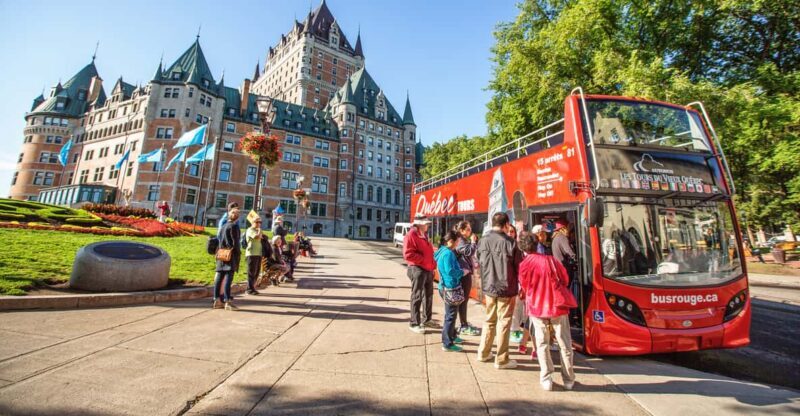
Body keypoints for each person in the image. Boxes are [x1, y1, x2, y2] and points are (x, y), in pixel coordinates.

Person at [517, 231, 576, 391]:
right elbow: (565, 279)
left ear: (522, 248)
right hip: (557, 305)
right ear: (536, 244)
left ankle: (547, 377)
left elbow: (524, 286)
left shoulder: (524, 265)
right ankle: (568, 379)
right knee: (564, 342)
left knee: (542, 342)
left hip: (536, 306)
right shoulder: (551, 260)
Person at [476, 212, 523, 370]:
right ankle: (501, 359)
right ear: (507, 224)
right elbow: (519, 267)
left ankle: (483, 353)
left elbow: (478, 261)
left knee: (489, 320)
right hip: (506, 288)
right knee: (504, 323)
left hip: (489, 287)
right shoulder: (511, 243)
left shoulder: (482, 241)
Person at [404, 214, 436, 334]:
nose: (428, 225)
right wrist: (423, 260)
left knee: (428, 295)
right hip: (417, 269)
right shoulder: (411, 235)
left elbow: (429, 252)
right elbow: (408, 254)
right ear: (419, 224)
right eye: (426, 223)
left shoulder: (424, 235)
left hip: (426, 269)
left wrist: (432, 266)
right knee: (417, 296)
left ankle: (427, 319)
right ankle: (414, 323)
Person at [436, 230, 466, 352]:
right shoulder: (448, 254)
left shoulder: (443, 251)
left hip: (445, 286)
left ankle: (452, 335)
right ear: (451, 241)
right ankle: (447, 343)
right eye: (458, 240)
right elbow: (450, 271)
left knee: (450, 314)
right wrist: (462, 272)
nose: (459, 242)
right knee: (450, 316)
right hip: (450, 287)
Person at [454, 221, 480, 336]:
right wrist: (473, 242)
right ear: (461, 231)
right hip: (463, 275)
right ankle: (463, 325)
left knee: (464, 300)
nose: (470, 231)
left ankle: (464, 322)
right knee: (463, 300)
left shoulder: (463, 241)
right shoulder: (460, 241)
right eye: (468, 229)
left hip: (465, 273)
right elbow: (469, 251)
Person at [213, 206, 242, 311]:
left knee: (219, 278)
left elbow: (219, 240)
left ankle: (217, 300)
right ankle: (227, 301)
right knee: (228, 279)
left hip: (221, 254)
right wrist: (238, 254)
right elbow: (236, 243)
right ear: (237, 217)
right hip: (230, 255)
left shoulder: (223, 226)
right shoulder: (234, 227)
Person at [245, 216, 264, 295]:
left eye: (260, 222)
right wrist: (259, 231)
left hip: (258, 253)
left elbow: (261, 238)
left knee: (256, 272)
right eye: (257, 222)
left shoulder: (257, 230)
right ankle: (249, 289)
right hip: (251, 253)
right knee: (251, 272)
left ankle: (252, 287)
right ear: (252, 222)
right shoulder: (250, 230)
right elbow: (257, 237)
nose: (259, 224)